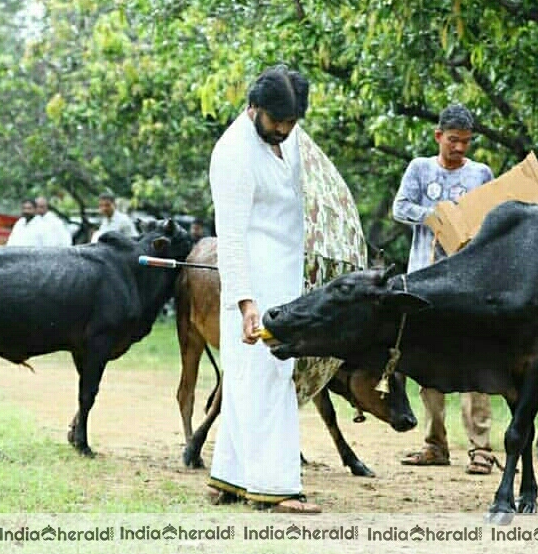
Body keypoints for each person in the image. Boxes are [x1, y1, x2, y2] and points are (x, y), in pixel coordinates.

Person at [205, 64, 320, 514]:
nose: (285, 131)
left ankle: (230, 478)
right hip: (253, 286)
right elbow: (230, 236)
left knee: (249, 380)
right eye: (277, 122)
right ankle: (275, 487)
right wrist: (246, 302)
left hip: (285, 278)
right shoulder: (234, 152)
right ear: (254, 108)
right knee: (268, 380)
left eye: (293, 123)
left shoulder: (289, 140)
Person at [393, 103, 499, 475]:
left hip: (469, 282)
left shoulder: (481, 174)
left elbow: (495, 218)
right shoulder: (419, 170)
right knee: (428, 364)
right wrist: (435, 216)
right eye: (453, 141)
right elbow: (399, 207)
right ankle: (434, 443)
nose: (459, 148)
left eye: (466, 142)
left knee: (474, 364)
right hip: (426, 281)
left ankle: (481, 448)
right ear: (438, 136)